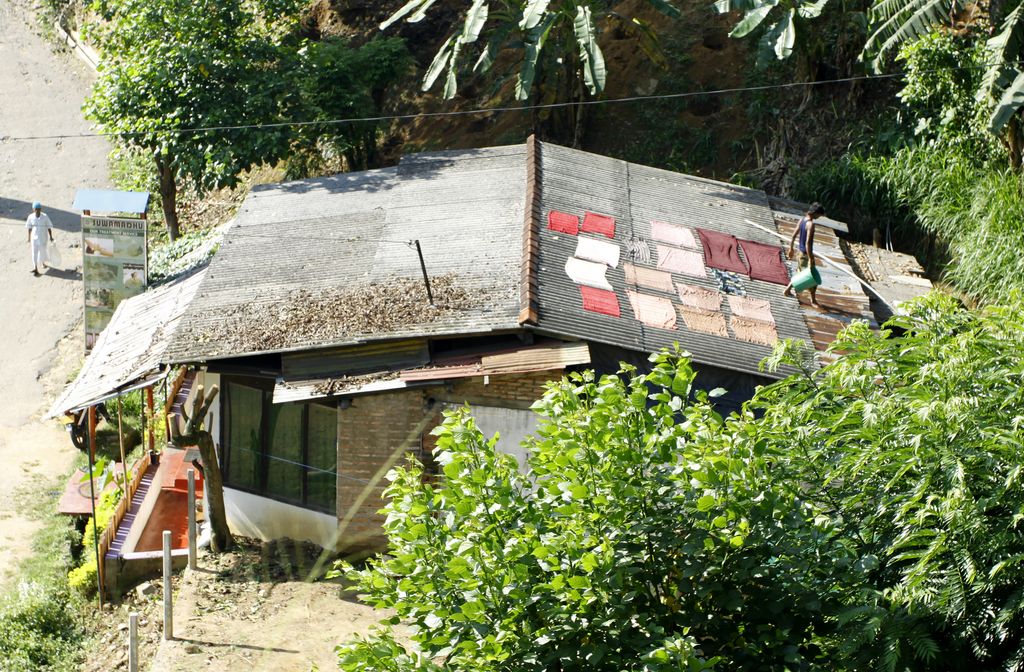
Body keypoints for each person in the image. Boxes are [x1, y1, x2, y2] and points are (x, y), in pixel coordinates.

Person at [783, 202, 825, 308]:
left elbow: (793, 236)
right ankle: (813, 300)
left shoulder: (802, 220)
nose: (819, 217)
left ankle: (788, 290)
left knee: (800, 273)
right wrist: (811, 258)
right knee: (812, 277)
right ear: (815, 213)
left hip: (799, 253)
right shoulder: (810, 224)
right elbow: (808, 243)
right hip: (805, 255)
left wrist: (791, 248)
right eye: (819, 215)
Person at [26, 201, 54, 276]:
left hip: (43, 238)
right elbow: (29, 228)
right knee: (34, 253)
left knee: (42, 251)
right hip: (34, 239)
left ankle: (43, 263)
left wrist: (51, 236)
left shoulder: (45, 216)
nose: (37, 210)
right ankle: (35, 268)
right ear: (33, 209)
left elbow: (49, 227)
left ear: (41, 209)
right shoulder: (30, 217)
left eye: (39, 209)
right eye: (36, 209)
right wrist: (28, 238)